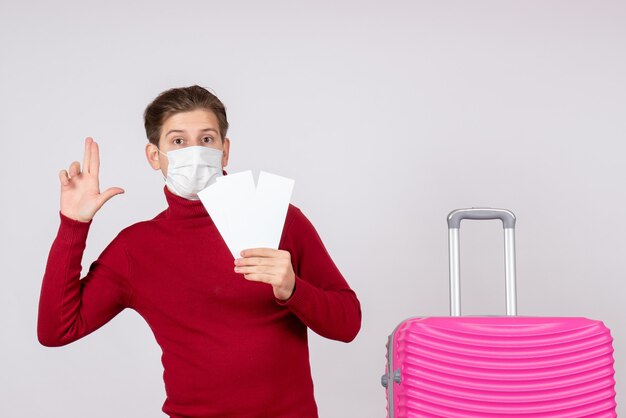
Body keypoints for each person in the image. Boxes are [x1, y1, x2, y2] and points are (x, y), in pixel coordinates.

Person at [37, 85, 362, 418]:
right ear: (154, 156)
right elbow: (56, 330)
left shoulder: (278, 218)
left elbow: (348, 323)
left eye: (207, 139)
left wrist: (294, 289)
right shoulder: (136, 248)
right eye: (178, 142)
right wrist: (73, 225)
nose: (194, 152)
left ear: (224, 150)